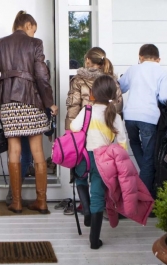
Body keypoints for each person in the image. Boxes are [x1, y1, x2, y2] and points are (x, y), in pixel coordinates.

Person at [0, 10, 58, 214]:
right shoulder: (35, 44)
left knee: (14, 151)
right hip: (32, 101)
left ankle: (17, 202)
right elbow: (42, 76)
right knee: (38, 152)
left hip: (9, 102)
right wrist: (49, 103)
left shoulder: (0, 43)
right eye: (33, 30)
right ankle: (42, 201)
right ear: (27, 25)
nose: (34, 34)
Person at [69, 75, 128, 249]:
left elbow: (74, 128)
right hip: (105, 160)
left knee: (80, 179)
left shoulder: (87, 111)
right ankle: (94, 241)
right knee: (98, 195)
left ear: (93, 93)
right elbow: (122, 141)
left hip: (85, 156)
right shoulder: (114, 116)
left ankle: (85, 210)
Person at [65, 47, 123, 221]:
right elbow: (118, 107)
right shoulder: (111, 80)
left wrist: (70, 133)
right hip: (104, 138)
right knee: (100, 174)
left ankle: (86, 206)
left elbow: (73, 108)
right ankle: (100, 205)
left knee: (80, 172)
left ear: (88, 61)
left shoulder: (78, 80)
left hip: (82, 134)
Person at [118, 44, 167, 198]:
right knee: (149, 158)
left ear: (140, 57)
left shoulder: (133, 69)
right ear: (158, 59)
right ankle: (145, 199)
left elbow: (120, 87)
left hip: (130, 117)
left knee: (135, 143)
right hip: (149, 117)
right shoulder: (162, 72)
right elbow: (164, 98)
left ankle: (146, 173)